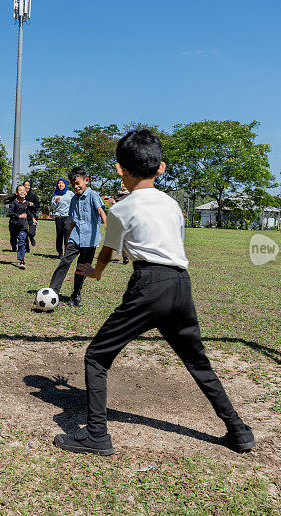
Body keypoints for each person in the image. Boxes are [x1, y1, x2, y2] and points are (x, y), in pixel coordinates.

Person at [53, 129, 255, 456]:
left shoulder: (121, 208)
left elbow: (107, 251)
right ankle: (239, 430)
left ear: (120, 169)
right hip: (181, 285)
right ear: (160, 168)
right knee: (197, 361)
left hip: (149, 285)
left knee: (97, 356)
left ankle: (96, 435)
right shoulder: (173, 205)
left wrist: (95, 272)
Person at [48, 167, 107, 307]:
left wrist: (107, 223)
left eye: (78, 183)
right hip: (75, 237)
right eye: (73, 184)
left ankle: (76, 294)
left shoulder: (93, 195)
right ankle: (53, 291)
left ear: (86, 180)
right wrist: (69, 237)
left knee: (81, 267)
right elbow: (74, 220)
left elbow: (100, 210)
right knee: (64, 262)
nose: (76, 186)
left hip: (90, 240)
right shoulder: (73, 199)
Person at [7, 184, 37, 269]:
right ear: (17, 193)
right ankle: (13, 244)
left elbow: (29, 213)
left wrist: (33, 219)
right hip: (13, 225)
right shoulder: (13, 203)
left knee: (22, 241)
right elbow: (9, 213)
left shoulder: (27, 203)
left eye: (24, 190)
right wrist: (19, 216)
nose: (22, 192)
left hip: (23, 226)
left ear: (26, 193)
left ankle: (22, 261)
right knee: (14, 240)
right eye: (20, 190)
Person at [50, 178, 74, 257]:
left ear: (65, 184)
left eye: (62, 183)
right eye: (59, 183)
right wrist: (55, 202)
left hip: (68, 216)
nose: (60, 185)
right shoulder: (55, 195)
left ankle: (67, 251)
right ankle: (60, 252)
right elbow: (52, 207)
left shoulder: (70, 193)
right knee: (59, 234)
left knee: (67, 232)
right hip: (59, 216)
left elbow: (75, 201)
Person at [23, 180, 40, 248]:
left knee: (31, 233)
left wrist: (32, 204)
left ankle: (32, 237)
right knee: (24, 233)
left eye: (28, 185)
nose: (27, 187)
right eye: (25, 185)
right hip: (24, 215)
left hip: (33, 216)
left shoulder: (33, 195)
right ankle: (27, 248)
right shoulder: (21, 195)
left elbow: (38, 205)